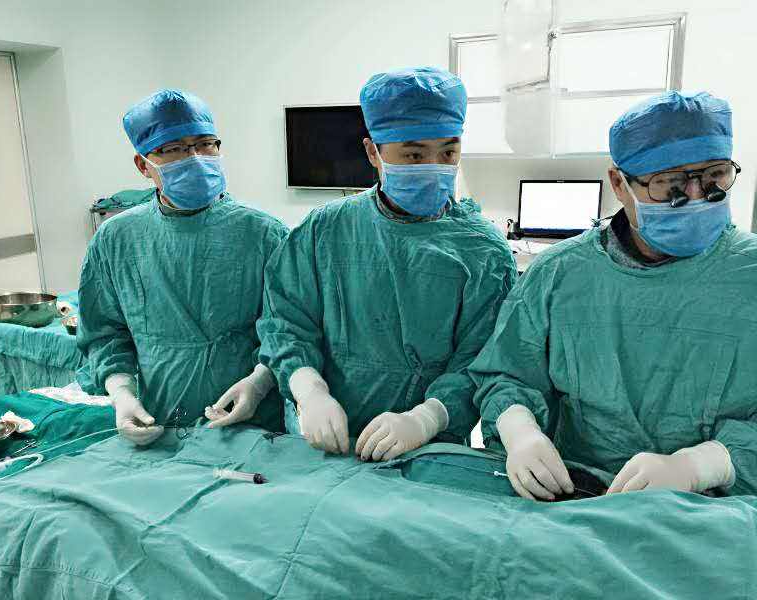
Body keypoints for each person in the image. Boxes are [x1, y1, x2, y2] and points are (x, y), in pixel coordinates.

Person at [470, 91, 757, 500]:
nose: (696, 197)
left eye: (715, 177)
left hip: (715, 509)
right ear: (619, 184)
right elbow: (507, 374)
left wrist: (704, 464)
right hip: (579, 497)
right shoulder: (558, 274)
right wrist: (520, 431)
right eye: (670, 184)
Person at [257, 67, 517, 460]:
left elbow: (484, 358)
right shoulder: (324, 230)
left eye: (448, 152)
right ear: (372, 153)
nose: (434, 166)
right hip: (327, 441)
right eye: (414, 154)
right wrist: (310, 391)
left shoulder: (483, 251)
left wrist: (426, 418)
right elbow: (286, 321)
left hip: (426, 450)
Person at [78, 89, 286, 445]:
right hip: (159, 423)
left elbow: (290, 327)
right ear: (143, 165)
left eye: (205, 145)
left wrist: (260, 381)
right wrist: (122, 394)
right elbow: (104, 334)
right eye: (173, 149)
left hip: (254, 425)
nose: (194, 158)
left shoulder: (265, 234)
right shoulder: (116, 239)